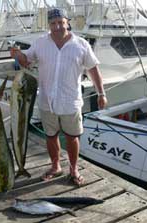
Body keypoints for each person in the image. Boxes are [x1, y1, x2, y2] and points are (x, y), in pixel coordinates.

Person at [10, 8, 108, 186]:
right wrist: (17, 54)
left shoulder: (81, 44)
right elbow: (26, 60)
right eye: (53, 23)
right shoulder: (40, 43)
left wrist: (101, 93)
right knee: (51, 135)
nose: (57, 27)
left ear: (67, 22)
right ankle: (56, 166)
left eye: (61, 22)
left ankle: (73, 168)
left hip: (70, 101)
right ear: (49, 24)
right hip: (47, 100)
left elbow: (93, 69)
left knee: (72, 137)